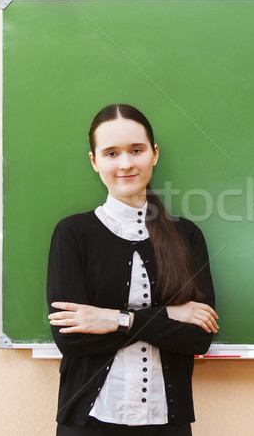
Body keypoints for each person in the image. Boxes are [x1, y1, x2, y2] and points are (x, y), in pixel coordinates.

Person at [47, 104, 218, 435]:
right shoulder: (72, 234)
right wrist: (172, 315)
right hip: (89, 421)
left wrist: (112, 320)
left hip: (167, 421)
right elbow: (72, 340)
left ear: (153, 154)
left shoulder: (187, 236)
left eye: (136, 150)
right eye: (111, 153)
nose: (125, 163)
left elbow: (199, 338)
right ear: (95, 161)